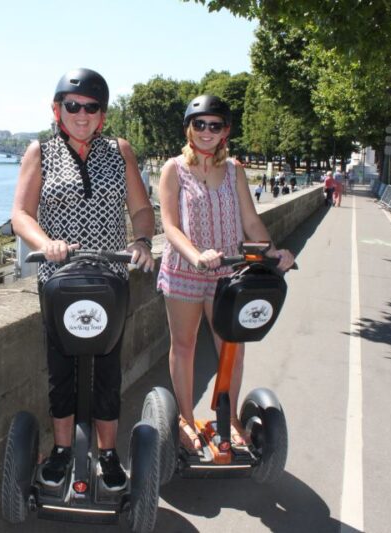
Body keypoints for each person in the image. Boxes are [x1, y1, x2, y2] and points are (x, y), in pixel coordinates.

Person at [11, 68, 155, 491]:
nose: (81, 113)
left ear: (102, 116)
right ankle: (60, 450)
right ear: (57, 110)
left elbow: (142, 210)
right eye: (72, 105)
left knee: (109, 368)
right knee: (62, 369)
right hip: (60, 278)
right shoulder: (40, 152)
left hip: (110, 277)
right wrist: (46, 242)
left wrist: (143, 241)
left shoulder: (120, 150)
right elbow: (20, 214)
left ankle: (109, 454)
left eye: (91, 107)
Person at [155, 95, 295, 453]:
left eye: (214, 125)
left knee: (233, 347)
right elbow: (169, 226)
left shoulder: (235, 170)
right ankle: (186, 419)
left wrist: (272, 252)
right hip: (184, 270)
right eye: (199, 124)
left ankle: (229, 419)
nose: (206, 131)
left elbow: (250, 221)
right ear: (189, 128)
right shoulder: (173, 169)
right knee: (184, 346)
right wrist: (197, 255)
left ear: (225, 131)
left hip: (228, 275)